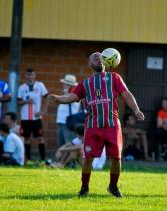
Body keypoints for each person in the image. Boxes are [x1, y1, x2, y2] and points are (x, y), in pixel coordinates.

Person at [48, 52, 145, 198]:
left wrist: (136, 110)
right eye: (94, 57)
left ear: (106, 62)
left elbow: (126, 94)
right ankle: (84, 187)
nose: (98, 58)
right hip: (93, 126)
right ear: (89, 64)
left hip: (113, 125)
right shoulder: (85, 83)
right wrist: (58, 98)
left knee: (116, 158)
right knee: (88, 158)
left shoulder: (114, 77)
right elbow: (72, 96)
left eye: (100, 57)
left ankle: (113, 186)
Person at [17, 68, 49, 161]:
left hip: (36, 118)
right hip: (25, 117)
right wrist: (26, 101)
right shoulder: (21, 87)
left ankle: (43, 160)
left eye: (31, 74)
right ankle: (29, 160)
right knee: (26, 139)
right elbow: (18, 102)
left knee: (40, 138)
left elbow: (48, 97)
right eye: (28, 74)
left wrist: (43, 111)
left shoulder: (40, 85)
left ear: (34, 75)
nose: (30, 76)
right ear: (25, 76)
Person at [56, 74, 81, 147]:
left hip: (68, 122)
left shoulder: (75, 95)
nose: (63, 85)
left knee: (69, 143)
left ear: (71, 85)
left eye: (66, 84)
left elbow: (69, 100)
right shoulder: (65, 93)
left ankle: (71, 159)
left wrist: (66, 93)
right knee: (61, 143)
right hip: (60, 121)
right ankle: (62, 158)